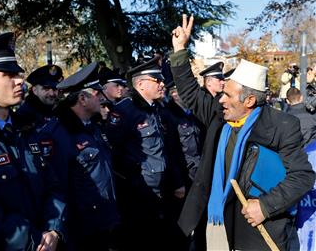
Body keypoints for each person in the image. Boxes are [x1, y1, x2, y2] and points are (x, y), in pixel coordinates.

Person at [170, 15, 315, 250]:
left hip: (261, 231)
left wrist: (265, 206)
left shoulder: (281, 125)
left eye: (228, 95)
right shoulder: (220, 116)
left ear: (249, 100)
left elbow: (302, 176)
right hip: (217, 225)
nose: (221, 99)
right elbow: (189, 92)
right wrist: (179, 51)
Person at [0, 32, 66, 251]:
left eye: (18, 73)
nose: (20, 81)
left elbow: (53, 186)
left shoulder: (26, 128)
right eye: (8, 74)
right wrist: (34, 241)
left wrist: (54, 229)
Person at [106, 56, 185, 251]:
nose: (162, 84)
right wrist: (134, 181)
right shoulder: (125, 111)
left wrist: (176, 181)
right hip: (139, 194)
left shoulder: (157, 109)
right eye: (156, 80)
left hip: (162, 190)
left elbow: (166, 149)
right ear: (140, 84)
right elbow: (114, 152)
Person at [39, 62, 120, 251]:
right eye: (97, 94)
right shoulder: (57, 134)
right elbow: (58, 187)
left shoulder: (92, 127)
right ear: (82, 99)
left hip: (104, 220)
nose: (102, 97)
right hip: (81, 230)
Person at [16, 64, 63, 131]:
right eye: (46, 88)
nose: (52, 94)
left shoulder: (58, 111)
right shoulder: (24, 116)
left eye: (54, 89)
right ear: (35, 90)